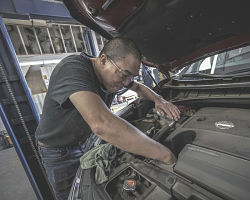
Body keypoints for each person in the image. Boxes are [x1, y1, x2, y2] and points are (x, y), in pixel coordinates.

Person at [35, 37, 180, 200]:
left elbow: (138, 87)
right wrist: (164, 155)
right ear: (103, 60)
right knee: (74, 196)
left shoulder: (113, 75)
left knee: (103, 187)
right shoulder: (72, 69)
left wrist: (158, 99)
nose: (126, 83)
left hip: (88, 140)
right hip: (60, 152)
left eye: (131, 76)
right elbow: (101, 124)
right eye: (125, 75)